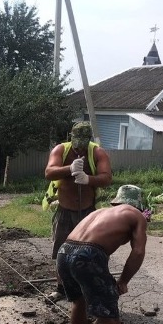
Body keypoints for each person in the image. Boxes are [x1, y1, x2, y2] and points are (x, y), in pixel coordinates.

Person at [56, 184, 149, 324]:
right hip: (89, 255)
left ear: (117, 200)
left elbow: (72, 241)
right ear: (138, 204)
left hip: (65, 251)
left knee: (79, 302)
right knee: (109, 321)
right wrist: (123, 280)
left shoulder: (100, 212)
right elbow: (138, 251)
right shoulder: (136, 215)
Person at [44, 121, 112, 301]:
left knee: (90, 251)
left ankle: (88, 287)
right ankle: (61, 289)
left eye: (83, 144)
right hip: (65, 210)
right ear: (70, 137)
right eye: (77, 143)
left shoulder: (97, 152)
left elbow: (106, 177)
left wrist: (88, 179)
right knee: (61, 250)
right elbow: (49, 172)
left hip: (87, 211)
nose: (80, 149)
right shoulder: (61, 150)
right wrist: (70, 169)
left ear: (89, 140)